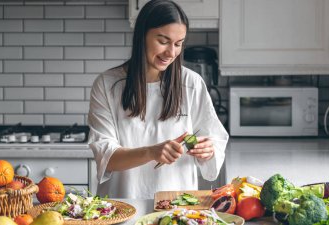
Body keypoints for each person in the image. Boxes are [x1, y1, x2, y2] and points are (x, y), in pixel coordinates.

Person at [88, 0, 228, 199]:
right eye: (163, 41)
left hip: (177, 207)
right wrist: (151, 152)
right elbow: (106, 157)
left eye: (178, 44)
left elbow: (214, 140)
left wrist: (208, 150)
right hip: (123, 206)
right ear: (142, 36)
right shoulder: (107, 84)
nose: (171, 53)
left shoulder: (192, 83)